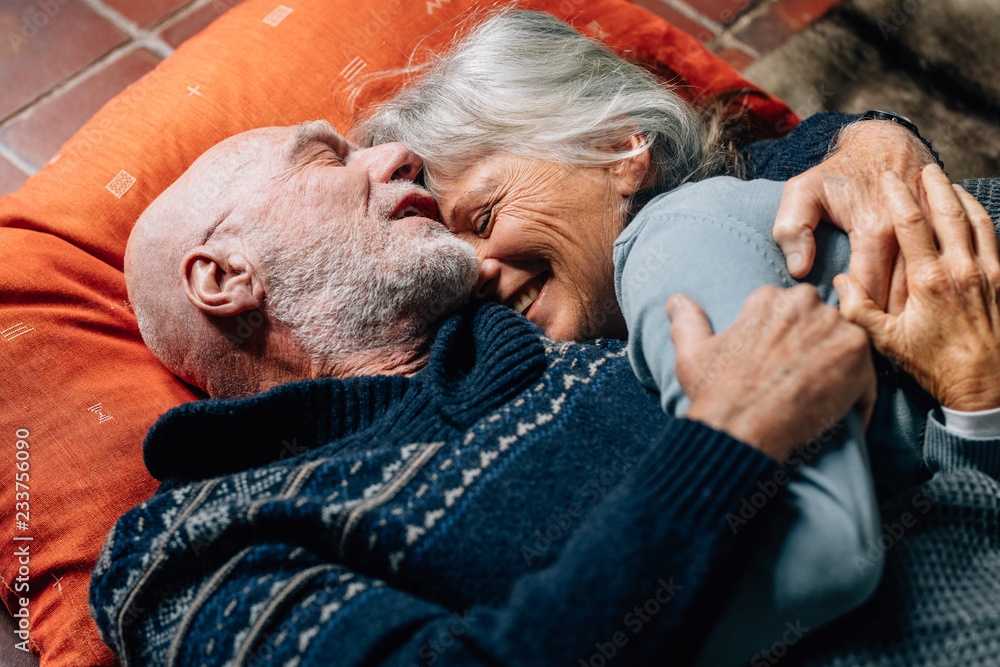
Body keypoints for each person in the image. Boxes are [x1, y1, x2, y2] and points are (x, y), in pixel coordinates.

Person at [90, 121, 880, 665]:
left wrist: (870, 142)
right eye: (327, 158)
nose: (396, 154)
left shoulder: (537, 311)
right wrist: (724, 442)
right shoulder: (181, 549)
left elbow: (733, 158)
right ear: (224, 275)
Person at [355, 10, 1000, 664]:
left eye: (485, 216)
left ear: (618, 148)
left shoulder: (666, 246)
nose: (478, 273)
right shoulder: (630, 294)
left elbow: (839, 554)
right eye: (455, 257)